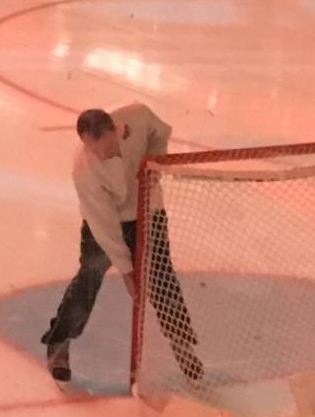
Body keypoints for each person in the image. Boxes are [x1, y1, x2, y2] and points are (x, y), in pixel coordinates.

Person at [41, 104, 203, 385]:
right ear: (85, 143)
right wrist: (127, 272)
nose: (104, 154)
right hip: (108, 222)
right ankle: (59, 341)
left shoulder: (136, 118)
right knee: (89, 276)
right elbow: (105, 229)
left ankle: (181, 342)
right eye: (96, 150)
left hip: (148, 211)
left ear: (116, 130)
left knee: (162, 276)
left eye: (108, 146)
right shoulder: (86, 172)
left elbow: (159, 130)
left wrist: (155, 162)